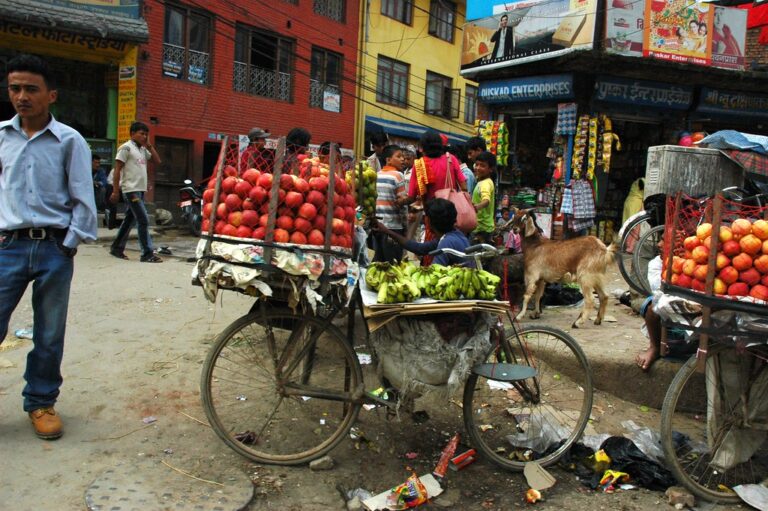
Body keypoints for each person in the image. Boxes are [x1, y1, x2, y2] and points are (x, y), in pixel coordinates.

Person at [0, 54, 98, 439]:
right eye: (15, 88)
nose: (22, 96)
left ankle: (40, 402)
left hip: (54, 248)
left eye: (31, 89)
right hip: (8, 246)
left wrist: (69, 243)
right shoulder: (1, 138)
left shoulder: (69, 141)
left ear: (51, 95)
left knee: (49, 332)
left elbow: (83, 199)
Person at [109, 121, 162, 262]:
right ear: (132, 133)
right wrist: (115, 191)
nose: (144, 136)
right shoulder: (125, 148)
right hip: (131, 190)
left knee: (129, 220)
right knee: (143, 220)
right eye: (141, 133)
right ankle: (147, 253)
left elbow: (157, 161)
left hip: (140, 190)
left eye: (146, 134)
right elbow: (117, 170)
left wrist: (149, 145)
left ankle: (116, 248)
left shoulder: (143, 150)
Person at [375, 199, 474, 267]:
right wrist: (387, 231)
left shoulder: (446, 243)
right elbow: (419, 248)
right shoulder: (454, 235)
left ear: (430, 221)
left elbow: (434, 274)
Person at [373, 145, 408, 263]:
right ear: (388, 160)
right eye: (398, 156)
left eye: (403, 156)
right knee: (393, 264)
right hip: (394, 229)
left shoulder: (376, 175)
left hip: (378, 227)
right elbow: (402, 205)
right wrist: (405, 226)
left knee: (379, 263)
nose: (403, 159)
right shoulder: (398, 176)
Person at [471, 151, 496, 244]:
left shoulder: (485, 183)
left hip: (482, 230)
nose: (478, 168)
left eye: (482, 165)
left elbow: (486, 201)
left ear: (491, 169)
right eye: (477, 164)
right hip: (481, 228)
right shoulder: (482, 181)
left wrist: (476, 207)